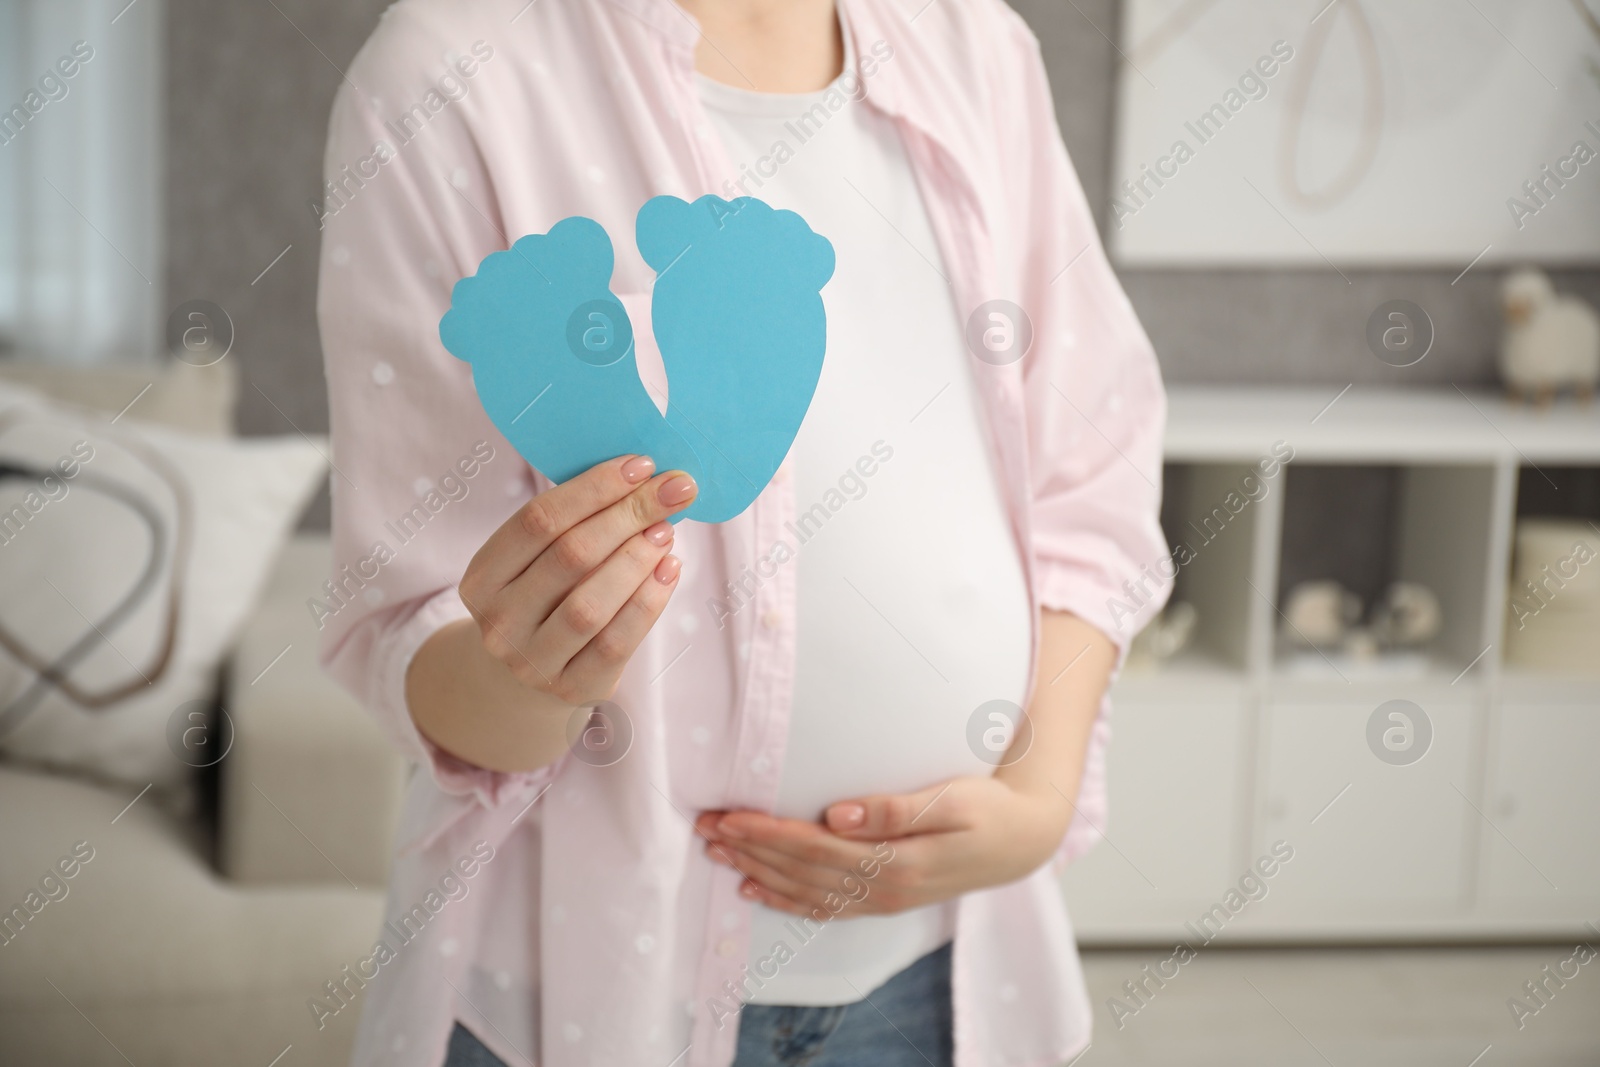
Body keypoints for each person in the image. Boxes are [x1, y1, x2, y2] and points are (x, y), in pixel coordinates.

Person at [316, 0, 1170, 1065]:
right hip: (587, 998)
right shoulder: (449, 73)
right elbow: (409, 626)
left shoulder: (975, 44)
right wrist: (529, 671)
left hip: (938, 972)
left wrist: (1038, 798)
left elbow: (1089, 471)